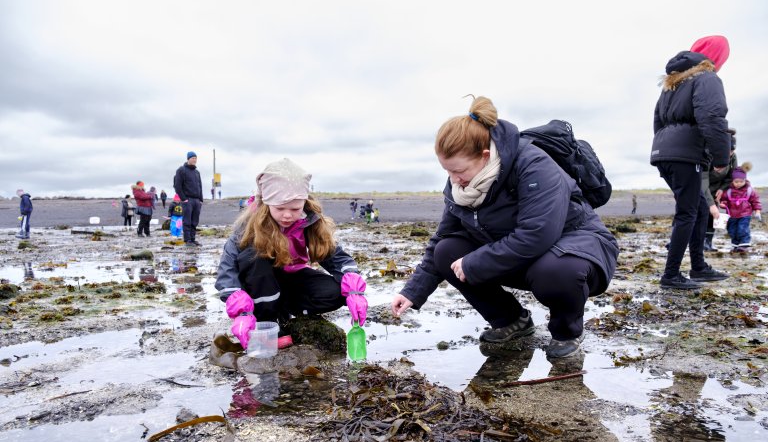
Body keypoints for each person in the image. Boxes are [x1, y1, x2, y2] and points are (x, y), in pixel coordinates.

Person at [390, 96, 619, 359]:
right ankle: (512, 321)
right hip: (521, 254)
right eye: (448, 171)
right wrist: (412, 291)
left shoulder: (533, 164)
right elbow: (442, 237)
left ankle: (566, 333)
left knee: (555, 271)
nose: (454, 179)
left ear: (485, 156)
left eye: (458, 170)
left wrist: (475, 263)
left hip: (576, 249)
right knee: (446, 251)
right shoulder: (460, 185)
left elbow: (537, 234)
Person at [214, 158, 367, 348]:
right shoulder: (248, 226)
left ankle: (284, 313)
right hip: (259, 282)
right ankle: (266, 321)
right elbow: (227, 269)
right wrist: (241, 312)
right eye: (279, 208)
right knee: (254, 256)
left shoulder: (309, 221)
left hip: (290, 280)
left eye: (295, 209)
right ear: (266, 202)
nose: (287, 215)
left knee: (336, 293)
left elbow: (337, 257)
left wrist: (354, 291)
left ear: (304, 203)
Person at [650, 35, 732, 290]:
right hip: (685, 155)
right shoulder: (707, 78)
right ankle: (671, 275)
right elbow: (712, 117)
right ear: (716, 58)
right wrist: (721, 157)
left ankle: (698, 266)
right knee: (687, 212)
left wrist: (665, 149)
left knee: (698, 207)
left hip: (665, 153)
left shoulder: (673, 82)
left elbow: (658, 121)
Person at [703, 129, 737, 251]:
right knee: (700, 213)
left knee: (713, 217)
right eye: (728, 151)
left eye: (732, 151)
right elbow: (702, 181)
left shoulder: (732, 157)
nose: (730, 154)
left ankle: (708, 243)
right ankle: (696, 242)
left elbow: (731, 177)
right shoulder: (708, 155)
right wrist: (710, 204)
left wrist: (722, 189)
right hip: (701, 187)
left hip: (716, 190)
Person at [718, 163, 761, 253]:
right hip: (731, 214)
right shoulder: (729, 191)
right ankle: (735, 245)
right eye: (736, 182)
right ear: (732, 181)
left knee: (742, 229)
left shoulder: (749, 190)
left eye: (741, 181)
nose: (738, 184)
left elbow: (755, 201)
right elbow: (724, 200)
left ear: (745, 180)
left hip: (745, 214)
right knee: (732, 230)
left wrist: (757, 211)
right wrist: (723, 204)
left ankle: (744, 244)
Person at [174, 151, 204, 246]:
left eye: (195, 158)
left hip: (196, 200)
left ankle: (193, 239)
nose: (194, 160)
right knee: (187, 221)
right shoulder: (181, 170)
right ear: (188, 159)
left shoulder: (197, 172)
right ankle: (187, 240)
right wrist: (183, 198)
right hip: (187, 199)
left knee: (195, 221)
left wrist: (201, 199)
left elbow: (200, 186)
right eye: (193, 158)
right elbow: (177, 186)